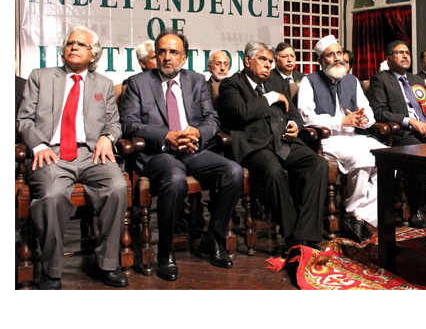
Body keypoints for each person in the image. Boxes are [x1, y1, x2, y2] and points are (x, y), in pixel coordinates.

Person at [121, 29, 243, 281]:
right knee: (175, 179)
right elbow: (130, 124)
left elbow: (212, 119)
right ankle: (165, 253)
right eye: (162, 52)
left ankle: (213, 239)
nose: (167, 57)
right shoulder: (138, 83)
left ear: (184, 58)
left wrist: (196, 132)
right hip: (159, 153)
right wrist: (166, 136)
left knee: (233, 171)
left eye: (173, 52)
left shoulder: (196, 81)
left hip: (193, 150)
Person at [16, 25, 129, 289]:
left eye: (81, 44)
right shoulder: (41, 77)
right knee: (53, 195)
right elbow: (23, 120)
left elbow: (114, 123)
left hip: (91, 154)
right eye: (70, 43)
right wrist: (39, 146)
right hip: (51, 153)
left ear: (93, 55)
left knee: (117, 187)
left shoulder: (102, 84)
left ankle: (107, 264)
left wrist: (107, 138)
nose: (74, 47)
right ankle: (52, 270)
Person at [217, 41, 328, 251]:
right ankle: (293, 235)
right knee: (274, 171)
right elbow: (241, 113)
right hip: (253, 145)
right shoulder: (231, 84)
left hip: (282, 140)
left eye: (269, 61)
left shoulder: (275, 83)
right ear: (247, 61)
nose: (268, 65)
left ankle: (305, 234)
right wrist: (271, 97)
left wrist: (295, 125)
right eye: (262, 60)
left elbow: (293, 112)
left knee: (318, 165)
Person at [298, 35, 387, 243]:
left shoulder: (352, 80)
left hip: (354, 136)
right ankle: (355, 213)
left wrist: (362, 119)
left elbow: (370, 114)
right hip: (328, 140)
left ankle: (357, 216)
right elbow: (306, 117)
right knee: (363, 158)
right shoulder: (308, 81)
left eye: (339, 53)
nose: (337, 58)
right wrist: (341, 122)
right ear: (320, 61)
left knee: (388, 159)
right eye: (330, 55)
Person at [366, 40, 426, 229]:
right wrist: (408, 121)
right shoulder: (380, 79)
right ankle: (416, 210)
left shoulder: (416, 80)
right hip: (401, 133)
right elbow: (379, 112)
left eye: (407, 53)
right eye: (399, 52)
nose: (405, 56)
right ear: (388, 59)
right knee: (419, 153)